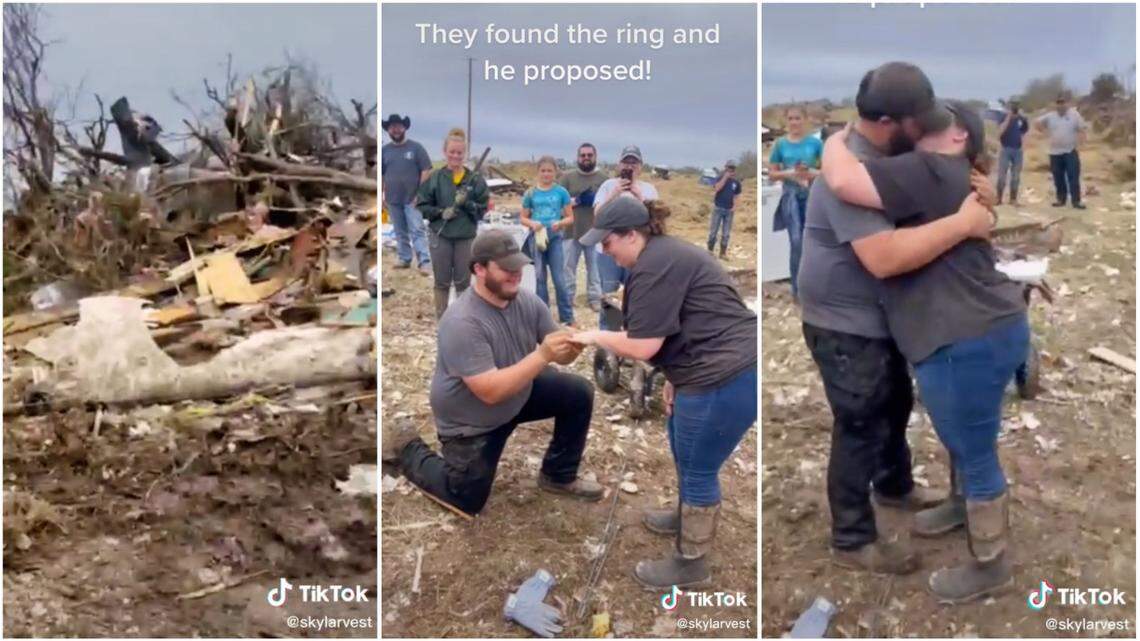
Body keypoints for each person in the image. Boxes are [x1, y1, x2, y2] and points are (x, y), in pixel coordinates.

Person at [821, 99, 1028, 603]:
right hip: (984, 327)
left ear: (960, 137)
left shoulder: (927, 167)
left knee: (974, 447)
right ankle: (962, 505)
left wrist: (835, 138)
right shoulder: (951, 174)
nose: (924, 119)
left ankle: (991, 564)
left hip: (963, 334)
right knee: (968, 432)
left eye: (941, 117)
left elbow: (846, 181)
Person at [796, 61, 997, 575]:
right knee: (861, 418)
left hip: (879, 314)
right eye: (919, 122)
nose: (928, 131)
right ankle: (852, 537)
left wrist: (980, 200)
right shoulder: (852, 175)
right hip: (843, 320)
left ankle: (893, 486)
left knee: (895, 401)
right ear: (889, 122)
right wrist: (963, 224)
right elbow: (883, 256)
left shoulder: (890, 155)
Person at [571, 198, 757, 589]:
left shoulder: (654, 265)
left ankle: (692, 562)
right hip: (710, 367)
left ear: (631, 234)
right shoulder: (662, 256)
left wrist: (592, 336)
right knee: (682, 445)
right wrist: (674, 376)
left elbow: (642, 345)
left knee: (699, 464)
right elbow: (691, 320)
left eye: (608, 243)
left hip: (725, 375)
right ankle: (686, 515)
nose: (605, 251)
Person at [382, 230, 603, 515]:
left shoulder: (527, 301)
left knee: (577, 393)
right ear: (479, 269)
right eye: (507, 269)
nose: (516, 275)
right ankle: (407, 447)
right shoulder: (462, 321)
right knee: (466, 499)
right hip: (472, 418)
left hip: (517, 392)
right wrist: (544, 354)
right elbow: (489, 392)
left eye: (519, 267)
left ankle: (558, 475)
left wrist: (572, 346)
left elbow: (560, 355)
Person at [416, 128, 489, 319]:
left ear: (464, 154)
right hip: (440, 236)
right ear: (445, 152)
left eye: (460, 153)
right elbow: (422, 205)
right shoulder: (435, 178)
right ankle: (442, 320)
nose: (456, 156)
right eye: (452, 152)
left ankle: (463, 322)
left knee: (463, 283)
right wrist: (441, 212)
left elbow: (483, 210)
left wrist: (468, 204)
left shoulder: (475, 179)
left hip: (465, 236)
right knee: (441, 282)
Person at [592, 145, 659, 328]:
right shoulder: (607, 186)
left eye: (634, 162)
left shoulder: (649, 190)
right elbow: (598, 215)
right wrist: (615, 194)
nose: (630, 166)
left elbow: (654, 221)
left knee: (636, 296)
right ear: (619, 164)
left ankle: (631, 336)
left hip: (637, 253)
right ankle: (608, 340)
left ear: (641, 166)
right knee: (609, 296)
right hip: (608, 252)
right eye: (626, 162)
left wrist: (639, 197)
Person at [769, 106, 823, 297]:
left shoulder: (815, 144)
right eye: (790, 118)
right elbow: (773, 174)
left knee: (813, 241)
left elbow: (827, 170)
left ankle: (814, 287)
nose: (794, 122)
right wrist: (792, 172)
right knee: (796, 241)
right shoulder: (780, 145)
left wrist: (809, 173)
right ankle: (797, 290)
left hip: (811, 194)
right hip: (790, 196)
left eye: (797, 118)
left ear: (805, 120)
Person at [521, 156, 575, 325]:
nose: (546, 174)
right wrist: (532, 223)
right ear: (538, 172)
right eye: (543, 170)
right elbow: (523, 217)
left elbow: (570, 217)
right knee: (539, 278)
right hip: (536, 236)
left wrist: (560, 223)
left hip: (555, 237)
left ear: (555, 172)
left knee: (559, 278)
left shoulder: (561, 192)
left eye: (549, 170)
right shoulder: (530, 193)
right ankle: (543, 317)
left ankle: (567, 316)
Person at [380, 113, 432, 275]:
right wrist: (381, 195)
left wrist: (420, 192)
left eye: (398, 126)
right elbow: (381, 174)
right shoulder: (385, 151)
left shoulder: (416, 148)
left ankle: (424, 262)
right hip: (392, 199)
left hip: (412, 198)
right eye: (391, 127)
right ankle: (404, 258)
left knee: (417, 229)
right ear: (388, 130)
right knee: (399, 230)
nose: (395, 129)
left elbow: (427, 169)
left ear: (404, 128)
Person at [559, 143, 607, 313]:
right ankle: (568, 298)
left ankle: (595, 299)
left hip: (595, 231)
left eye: (589, 155)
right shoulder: (567, 177)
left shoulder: (603, 178)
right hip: (571, 231)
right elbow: (557, 202)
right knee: (568, 268)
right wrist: (576, 201)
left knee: (595, 268)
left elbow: (610, 203)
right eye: (583, 155)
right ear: (578, 157)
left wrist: (597, 201)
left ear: (595, 157)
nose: (586, 158)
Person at [1035, 93, 1088, 209]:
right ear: (1055, 104)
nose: (1061, 105)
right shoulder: (1050, 116)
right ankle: (1061, 199)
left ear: (1067, 103)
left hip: (1070, 151)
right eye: (1058, 103)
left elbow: (1082, 129)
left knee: (1073, 177)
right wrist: (1044, 132)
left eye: (1063, 102)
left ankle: (1076, 201)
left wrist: (1082, 144)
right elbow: (1037, 123)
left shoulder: (1074, 115)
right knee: (1058, 178)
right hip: (1055, 152)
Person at [995, 100, 1029, 205]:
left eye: (1015, 107)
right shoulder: (1003, 118)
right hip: (1005, 149)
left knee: (1016, 176)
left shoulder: (1021, 119)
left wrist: (1024, 118)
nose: (1014, 109)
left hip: (1018, 150)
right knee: (1001, 176)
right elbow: (1000, 132)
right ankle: (999, 198)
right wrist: (1008, 118)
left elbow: (1024, 131)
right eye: (1012, 107)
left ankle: (1013, 199)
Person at [708, 159, 743, 259]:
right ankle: (710, 251)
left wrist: (735, 206)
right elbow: (717, 188)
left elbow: (737, 195)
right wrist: (725, 178)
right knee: (713, 232)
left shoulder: (736, 182)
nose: (731, 170)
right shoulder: (719, 178)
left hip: (729, 211)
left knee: (726, 233)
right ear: (726, 168)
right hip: (718, 208)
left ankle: (722, 253)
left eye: (733, 168)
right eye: (729, 168)